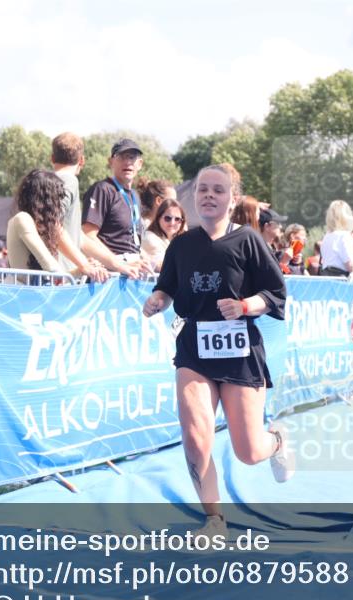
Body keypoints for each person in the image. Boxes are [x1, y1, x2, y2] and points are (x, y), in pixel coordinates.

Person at [142, 164, 293, 536]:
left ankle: (276, 442)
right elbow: (168, 287)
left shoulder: (248, 241)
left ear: (232, 199)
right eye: (203, 190)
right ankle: (215, 520)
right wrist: (157, 299)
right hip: (194, 348)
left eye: (218, 190)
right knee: (195, 438)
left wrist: (244, 306)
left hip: (240, 351)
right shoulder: (181, 244)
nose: (209, 195)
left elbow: (276, 295)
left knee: (248, 451)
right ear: (195, 197)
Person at [7, 170, 109, 284]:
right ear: (46, 199)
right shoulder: (23, 219)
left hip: (31, 296)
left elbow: (54, 278)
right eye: (57, 198)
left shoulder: (33, 223)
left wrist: (82, 269)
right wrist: (85, 267)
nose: (58, 205)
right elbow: (52, 269)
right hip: (23, 298)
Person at [80, 139, 148, 277]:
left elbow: (132, 240)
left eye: (132, 157)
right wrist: (118, 264)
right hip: (109, 273)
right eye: (122, 156)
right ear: (111, 162)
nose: (127, 162)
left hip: (131, 269)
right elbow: (88, 236)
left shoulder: (135, 196)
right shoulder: (103, 189)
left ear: (140, 164)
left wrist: (149, 260)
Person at [51, 132, 86, 272]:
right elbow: (53, 224)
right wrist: (84, 264)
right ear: (82, 160)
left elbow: (79, 237)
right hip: (63, 276)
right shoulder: (69, 181)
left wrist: (118, 264)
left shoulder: (46, 182)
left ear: (52, 158)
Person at [141, 198, 188, 272]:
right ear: (158, 218)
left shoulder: (181, 240)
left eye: (177, 219)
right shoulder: (150, 238)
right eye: (167, 218)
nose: (172, 223)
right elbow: (163, 265)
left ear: (182, 222)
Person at [319, 200, 353, 277]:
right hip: (340, 281)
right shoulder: (344, 236)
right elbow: (351, 266)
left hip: (326, 278)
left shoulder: (327, 236)